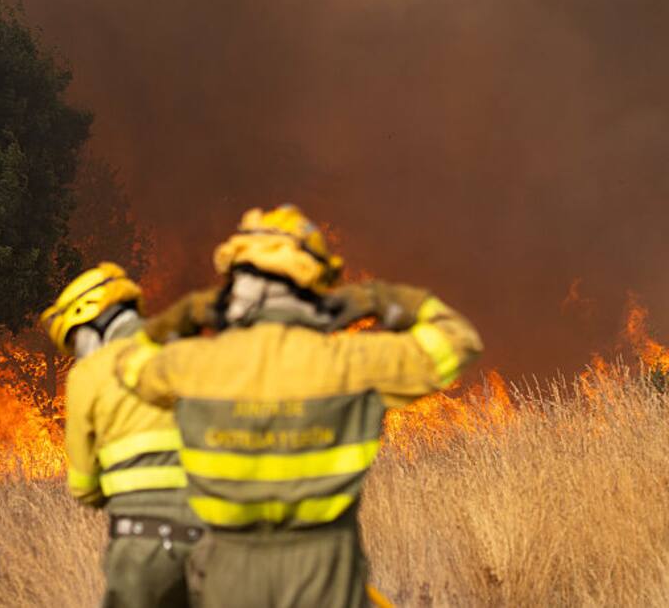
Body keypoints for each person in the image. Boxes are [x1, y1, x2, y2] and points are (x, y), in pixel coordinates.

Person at [115, 206, 483, 608]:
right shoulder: (353, 362)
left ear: (234, 285)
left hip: (228, 575)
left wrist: (186, 315)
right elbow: (459, 341)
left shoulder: (194, 366)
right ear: (315, 283)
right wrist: (382, 299)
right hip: (324, 574)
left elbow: (128, 363)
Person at [42, 262, 203, 607]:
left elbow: (83, 487)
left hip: (142, 545)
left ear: (92, 320)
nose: (77, 354)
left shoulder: (89, 374)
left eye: (75, 341)